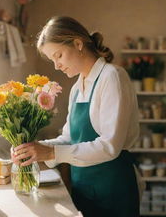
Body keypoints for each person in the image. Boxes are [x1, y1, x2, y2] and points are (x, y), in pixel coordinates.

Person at [12, 16, 141, 217]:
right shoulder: (77, 88)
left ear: (78, 44)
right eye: (52, 59)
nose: (57, 66)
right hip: (83, 187)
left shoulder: (111, 76)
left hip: (112, 188)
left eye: (59, 56)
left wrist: (51, 153)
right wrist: (32, 149)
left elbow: (110, 146)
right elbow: (69, 139)